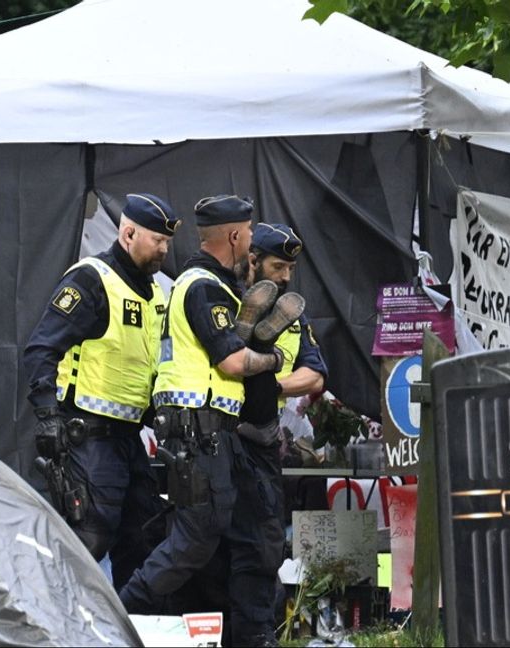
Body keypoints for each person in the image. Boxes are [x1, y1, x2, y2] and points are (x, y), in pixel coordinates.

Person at [117, 195, 300, 623]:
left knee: (218, 536)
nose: (253, 240)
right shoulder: (202, 286)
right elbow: (232, 364)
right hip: (197, 432)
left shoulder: (213, 285)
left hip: (209, 431)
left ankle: (208, 627)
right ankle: (119, 614)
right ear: (236, 235)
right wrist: (271, 361)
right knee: (195, 539)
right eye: (250, 233)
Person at [22, 192, 181, 588]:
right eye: (156, 240)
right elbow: (41, 348)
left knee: (143, 540)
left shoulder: (154, 293)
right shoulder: (92, 279)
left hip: (128, 438)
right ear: (128, 233)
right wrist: (47, 417)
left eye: (167, 242)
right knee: (87, 541)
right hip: (86, 438)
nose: (164, 249)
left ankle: (131, 630)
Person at [225, 222, 328, 646]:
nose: (287, 276)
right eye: (278, 266)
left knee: (265, 542)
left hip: (263, 439)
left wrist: (276, 386)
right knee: (211, 543)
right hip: (219, 435)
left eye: (290, 267)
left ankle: (256, 634)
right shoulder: (220, 299)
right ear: (252, 261)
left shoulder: (292, 314)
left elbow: (316, 376)